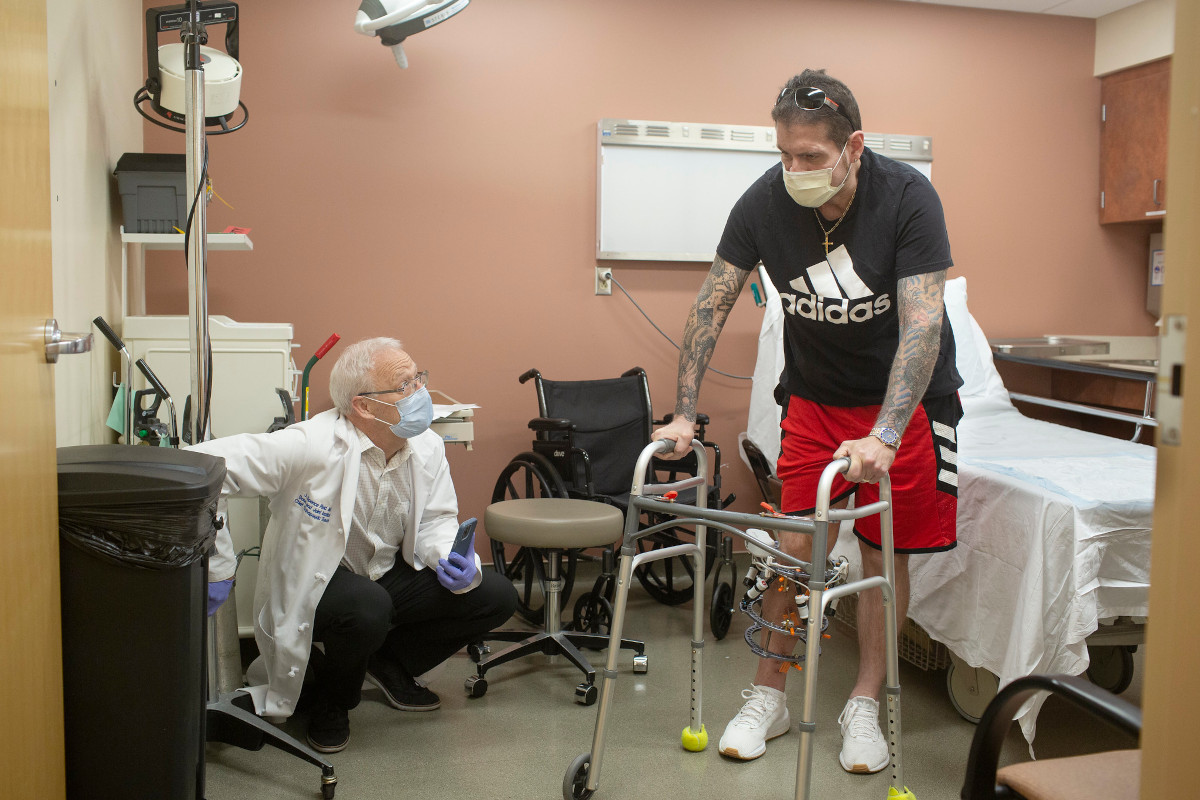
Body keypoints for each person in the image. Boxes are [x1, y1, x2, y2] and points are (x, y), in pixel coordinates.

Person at [652, 69, 962, 773]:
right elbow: (710, 305)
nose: (795, 170)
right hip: (817, 401)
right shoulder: (764, 202)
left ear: (853, 145)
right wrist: (682, 412)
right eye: (785, 154)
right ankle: (771, 694)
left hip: (905, 406)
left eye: (812, 158)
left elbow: (922, 326)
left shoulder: (908, 198)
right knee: (795, 545)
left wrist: (885, 434)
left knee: (884, 555)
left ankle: (864, 700)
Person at [194, 337, 518, 753]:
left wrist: (450, 557)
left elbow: (436, 519)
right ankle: (333, 703)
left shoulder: (427, 444)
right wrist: (218, 563)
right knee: (367, 607)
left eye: (419, 377)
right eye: (405, 385)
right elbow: (202, 466)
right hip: (322, 580)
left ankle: (389, 664)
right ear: (364, 406)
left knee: (494, 594)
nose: (421, 393)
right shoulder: (309, 444)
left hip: (384, 571)